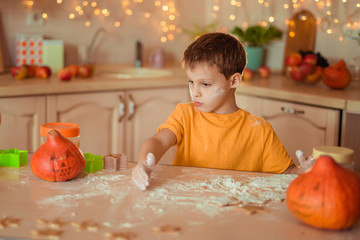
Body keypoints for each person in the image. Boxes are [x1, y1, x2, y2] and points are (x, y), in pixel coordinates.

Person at [132, 32, 298, 191]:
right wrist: (144, 163)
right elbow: (159, 141)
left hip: (234, 210)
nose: (195, 92)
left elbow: (287, 174)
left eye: (205, 84)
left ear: (234, 81)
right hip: (189, 204)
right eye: (191, 81)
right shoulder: (185, 115)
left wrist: (308, 171)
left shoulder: (259, 130)